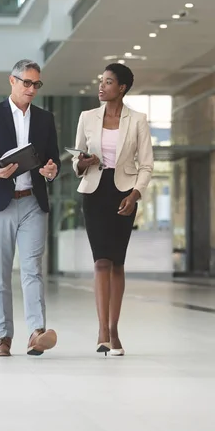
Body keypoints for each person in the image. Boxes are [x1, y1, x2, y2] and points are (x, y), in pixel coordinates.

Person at [0, 59, 61, 357]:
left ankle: (36, 333)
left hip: (33, 201)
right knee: (1, 272)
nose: (32, 89)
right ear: (12, 81)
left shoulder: (45, 119)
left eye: (37, 84)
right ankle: (3, 336)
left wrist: (51, 170)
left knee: (32, 269)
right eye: (27, 83)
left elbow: (53, 160)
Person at [72, 63, 153, 356]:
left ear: (122, 88)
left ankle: (115, 330)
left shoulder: (138, 120)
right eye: (101, 81)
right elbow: (76, 159)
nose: (101, 86)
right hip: (95, 192)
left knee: (117, 262)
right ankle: (102, 330)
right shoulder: (86, 117)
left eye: (108, 82)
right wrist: (83, 162)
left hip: (124, 194)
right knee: (100, 262)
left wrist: (135, 194)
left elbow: (146, 164)